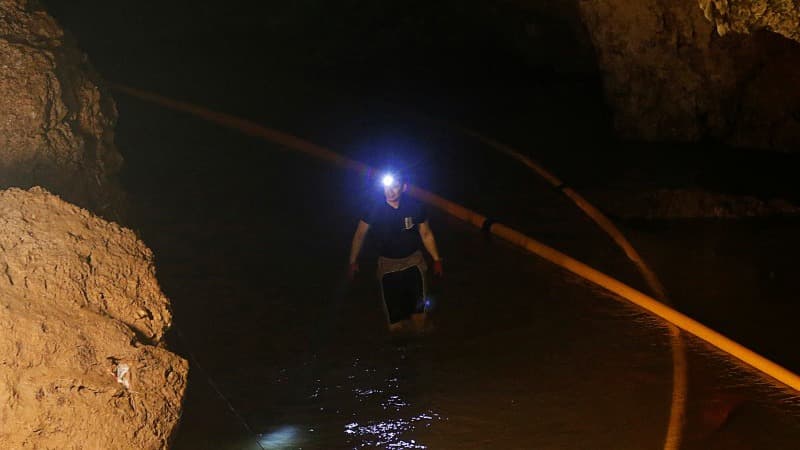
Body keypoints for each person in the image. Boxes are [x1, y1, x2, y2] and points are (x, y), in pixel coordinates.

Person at [348, 172, 443, 334]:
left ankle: (423, 349)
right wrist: (353, 261)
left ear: (404, 187)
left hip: (413, 262)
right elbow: (359, 235)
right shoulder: (372, 208)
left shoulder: (415, 207)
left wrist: (436, 259)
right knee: (395, 320)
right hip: (388, 266)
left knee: (419, 315)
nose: (390, 191)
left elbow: (426, 233)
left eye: (395, 186)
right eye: (387, 186)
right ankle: (399, 352)